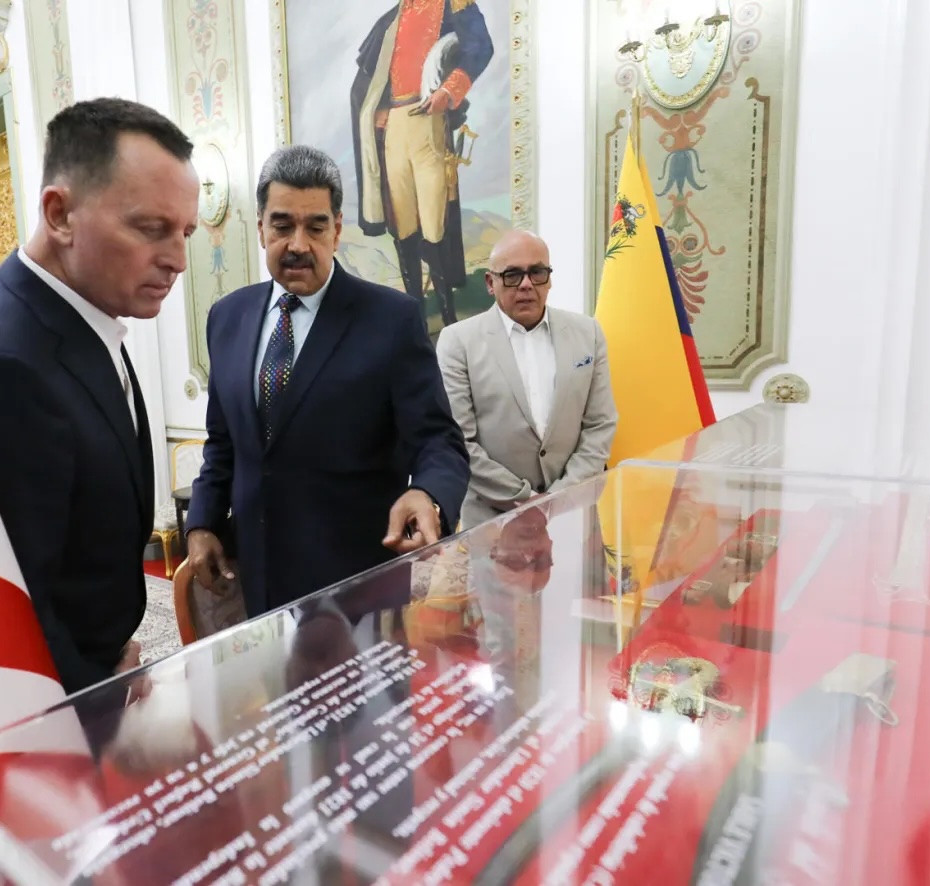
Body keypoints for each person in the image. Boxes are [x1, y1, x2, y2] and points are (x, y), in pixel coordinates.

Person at [0, 98, 200, 693]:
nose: (179, 260)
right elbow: (4, 606)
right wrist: (95, 691)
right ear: (59, 214)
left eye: (184, 231)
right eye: (151, 228)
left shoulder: (82, 313)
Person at [185, 145, 470, 617]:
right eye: (282, 225)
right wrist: (202, 523)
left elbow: (439, 440)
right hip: (256, 578)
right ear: (260, 228)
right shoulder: (226, 317)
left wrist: (429, 495)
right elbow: (223, 443)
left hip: (359, 587)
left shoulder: (391, 319)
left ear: (336, 230)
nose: (298, 243)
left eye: (315, 226)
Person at [436, 230, 617, 529]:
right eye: (512, 275)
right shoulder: (458, 342)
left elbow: (600, 424)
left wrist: (558, 499)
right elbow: (459, 441)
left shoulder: (589, 334)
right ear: (490, 283)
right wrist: (524, 500)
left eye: (537, 272)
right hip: (492, 523)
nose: (526, 285)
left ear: (549, 277)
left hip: (573, 515)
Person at [351, 0, 494, 328]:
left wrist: (449, 91)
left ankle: (447, 319)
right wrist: (379, 108)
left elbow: (481, 47)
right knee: (403, 228)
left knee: (435, 227)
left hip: (429, 118)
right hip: (394, 128)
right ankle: (414, 319)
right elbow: (371, 79)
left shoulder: (451, 5)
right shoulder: (392, 18)